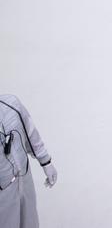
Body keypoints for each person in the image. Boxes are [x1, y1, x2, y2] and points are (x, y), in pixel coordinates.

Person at [0, 95, 56, 228]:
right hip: (3, 192)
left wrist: (46, 162)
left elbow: (31, 134)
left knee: (30, 222)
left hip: (25, 183)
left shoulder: (11, 104)